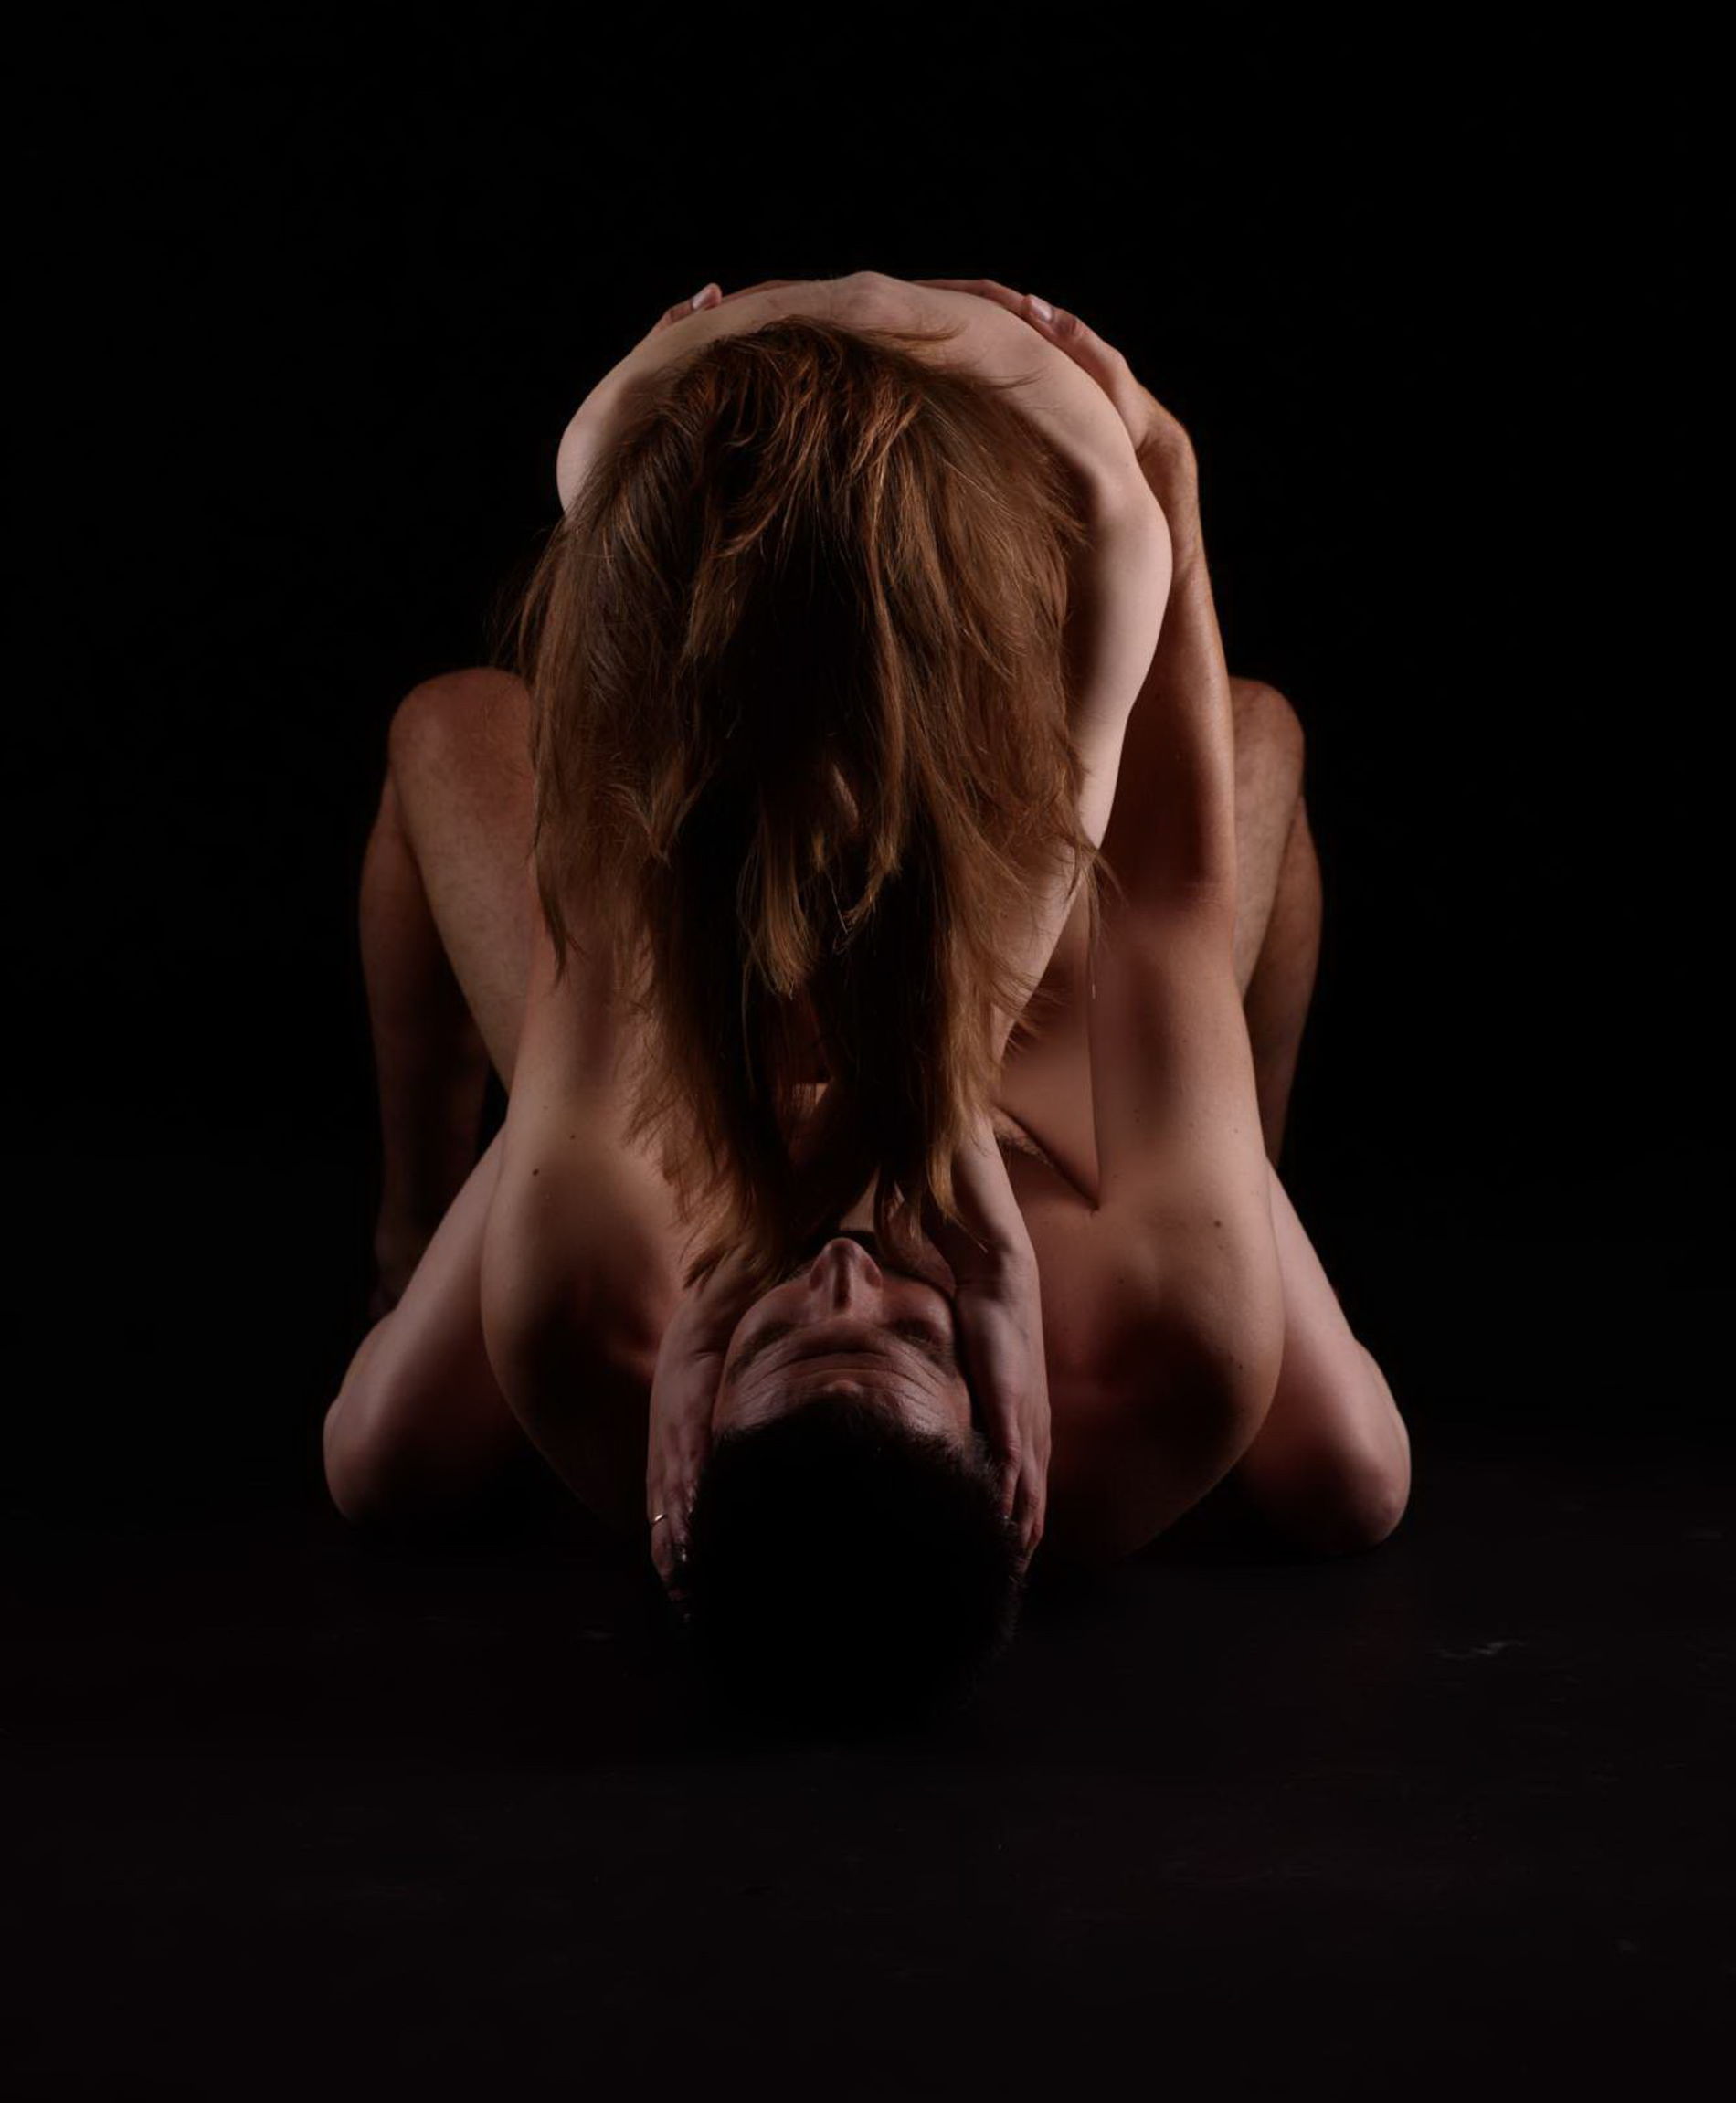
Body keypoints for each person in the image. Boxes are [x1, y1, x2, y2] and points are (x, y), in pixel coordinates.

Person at [323, 272, 1411, 1728]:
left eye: (779, 1332)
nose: (841, 1269)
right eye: (909, 1331)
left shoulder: (591, 1308)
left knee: (386, 1459)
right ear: (1019, 1449)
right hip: (1044, 1082)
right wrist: (1164, 469)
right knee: (1345, 1466)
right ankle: (1221, 1162)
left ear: (681, 1442)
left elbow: (604, 861)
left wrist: (651, 401)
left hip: (700, 1037)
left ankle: (411, 1239)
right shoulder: (1162, 1350)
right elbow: (1169, 889)